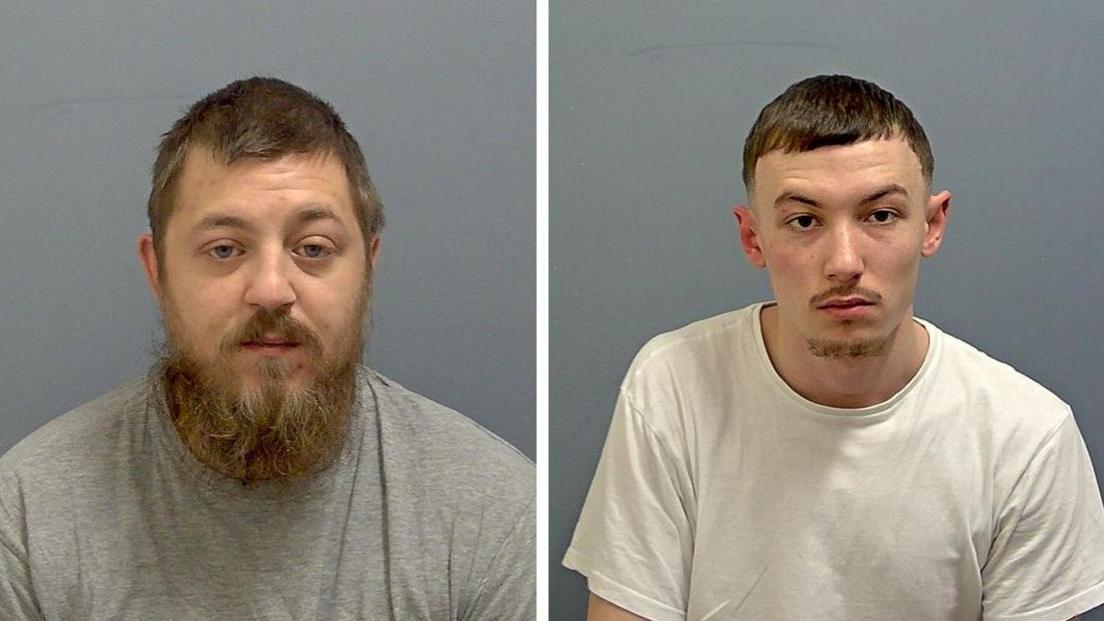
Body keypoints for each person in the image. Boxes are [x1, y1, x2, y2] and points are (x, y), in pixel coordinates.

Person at [564, 75, 1104, 621]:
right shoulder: (674, 384)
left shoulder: (1028, 435)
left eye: (880, 215)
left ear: (931, 224)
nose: (844, 261)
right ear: (754, 238)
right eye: (804, 221)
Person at [0, 77, 534, 619]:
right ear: (157, 272)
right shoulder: (26, 516)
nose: (272, 289)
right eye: (225, 249)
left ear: (369, 267)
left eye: (313, 248)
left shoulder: (493, 512)